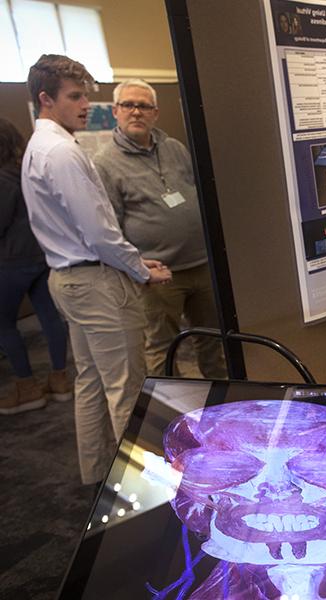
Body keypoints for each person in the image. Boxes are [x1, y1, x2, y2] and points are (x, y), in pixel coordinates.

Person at [21, 55, 172, 485]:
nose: (87, 104)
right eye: (75, 96)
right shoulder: (64, 152)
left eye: (86, 94)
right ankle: (142, 492)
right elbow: (99, 232)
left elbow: (84, 230)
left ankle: (98, 476)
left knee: (89, 382)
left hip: (69, 279)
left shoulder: (40, 146)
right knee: (125, 389)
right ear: (46, 99)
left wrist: (135, 261)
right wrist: (141, 271)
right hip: (94, 282)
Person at [94, 79, 226, 379]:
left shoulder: (174, 148)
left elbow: (197, 194)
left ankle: (221, 404)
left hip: (201, 265)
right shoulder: (104, 163)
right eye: (128, 105)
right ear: (115, 111)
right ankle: (168, 415)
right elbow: (109, 227)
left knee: (213, 341)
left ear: (155, 112)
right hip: (156, 274)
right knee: (162, 350)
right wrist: (138, 267)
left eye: (144, 106)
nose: (136, 112)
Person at [0, 118, 72, 415]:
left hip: (10, 264)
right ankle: (60, 381)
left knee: (4, 325)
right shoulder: (26, 169)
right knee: (50, 317)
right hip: (42, 257)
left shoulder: (2, 179)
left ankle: (28, 388)